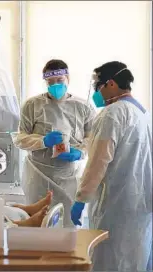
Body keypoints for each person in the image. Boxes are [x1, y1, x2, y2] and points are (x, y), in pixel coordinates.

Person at [70, 61, 152, 271]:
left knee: (110, 260)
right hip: (141, 206)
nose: (96, 92)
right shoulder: (144, 113)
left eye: (98, 85)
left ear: (112, 84)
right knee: (135, 260)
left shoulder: (112, 113)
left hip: (117, 205)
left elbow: (98, 162)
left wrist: (81, 198)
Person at [12, 59, 96, 227]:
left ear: (68, 79)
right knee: (38, 223)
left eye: (60, 80)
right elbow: (20, 138)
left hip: (69, 176)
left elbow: (93, 139)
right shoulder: (32, 105)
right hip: (38, 174)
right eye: (50, 82)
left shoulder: (83, 107)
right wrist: (43, 140)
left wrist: (80, 152)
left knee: (67, 224)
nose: (55, 85)